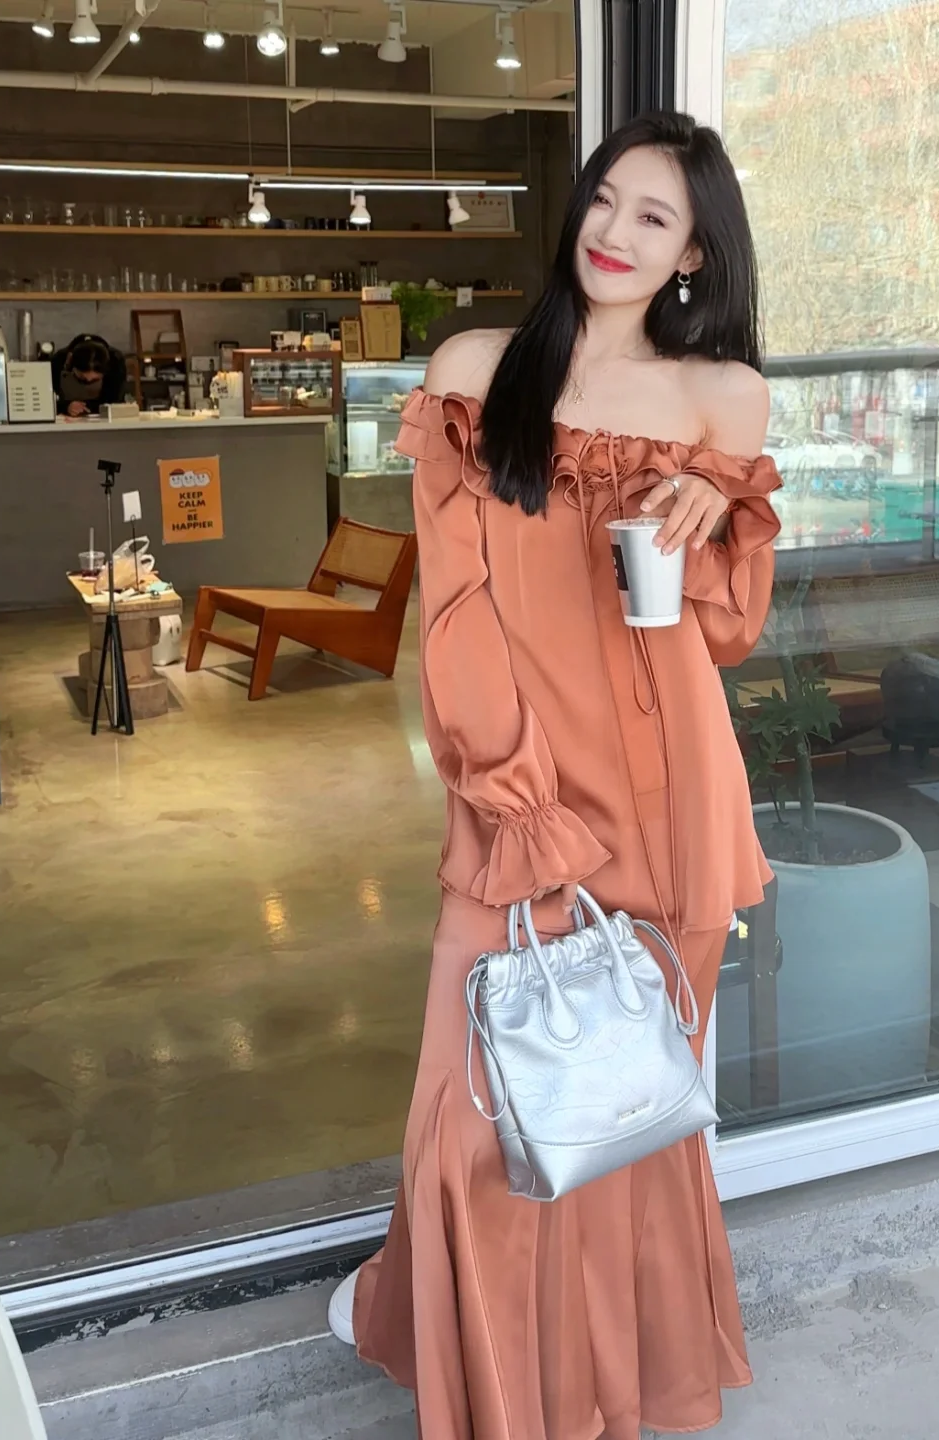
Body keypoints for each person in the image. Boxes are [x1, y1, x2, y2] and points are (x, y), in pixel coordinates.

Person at [335, 109, 782, 1438]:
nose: (614, 231)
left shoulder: (724, 398)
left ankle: (603, 1390)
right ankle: (490, 1380)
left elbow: (722, 635)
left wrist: (715, 521)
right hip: (522, 793)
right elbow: (456, 609)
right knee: (480, 1114)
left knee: (623, 1113)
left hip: (670, 792)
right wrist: (509, 792)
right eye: (603, 198)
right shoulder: (478, 369)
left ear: (694, 251)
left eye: (654, 215)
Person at [51, 333, 127, 417]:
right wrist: (65, 407)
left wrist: (85, 407)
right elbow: (48, 402)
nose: (88, 381)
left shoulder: (116, 361)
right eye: (82, 379)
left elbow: (115, 401)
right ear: (70, 362)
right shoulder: (58, 361)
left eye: (95, 380)